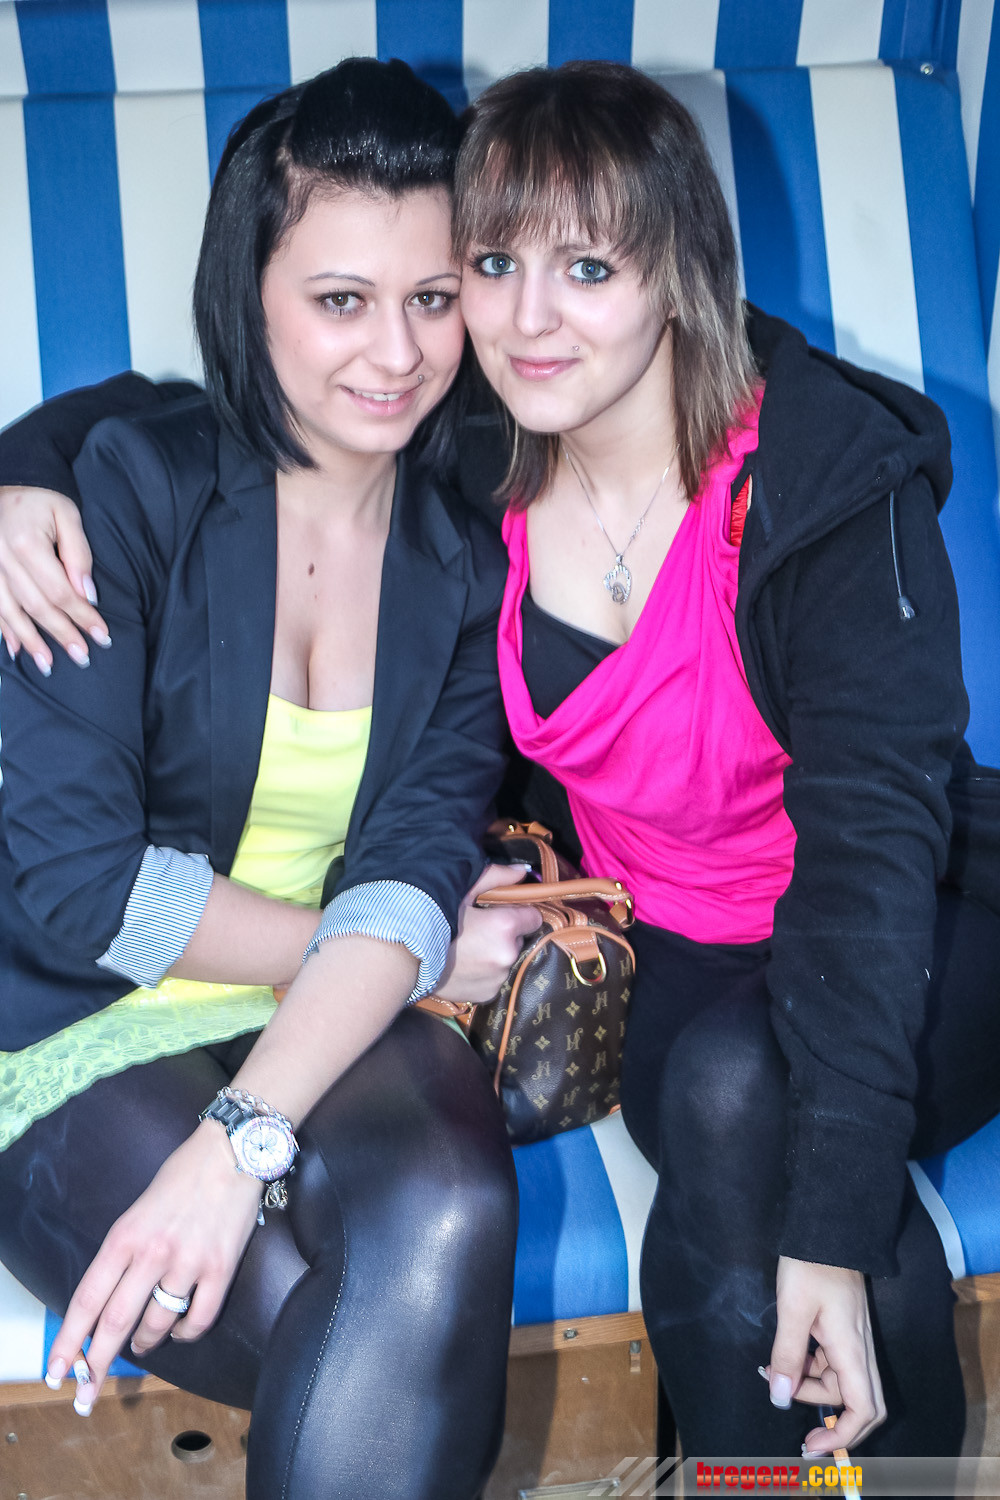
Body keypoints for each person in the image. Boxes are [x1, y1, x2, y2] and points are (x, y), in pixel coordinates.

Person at [5, 57, 1000, 1465]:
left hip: (865, 930)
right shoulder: (407, 458)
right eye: (487, 270)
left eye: (583, 268)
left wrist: (836, 1231)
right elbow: (169, 429)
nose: (435, 343)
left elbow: (869, 860)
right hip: (601, 941)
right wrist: (19, 470)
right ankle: (764, 1477)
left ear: (673, 274)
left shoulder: (726, 503)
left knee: (706, 1132)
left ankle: (819, 1476)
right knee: (699, 1116)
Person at [0, 57, 539, 1500]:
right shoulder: (126, 491)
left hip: (330, 995)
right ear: (251, 292)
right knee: (338, 1312)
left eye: (435, 298)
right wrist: (391, 955)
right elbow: (82, 891)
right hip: (72, 1012)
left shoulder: (469, 559)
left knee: (448, 1215)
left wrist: (236, 1137)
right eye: (341, 299)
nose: (398, 354)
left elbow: (416, 857)